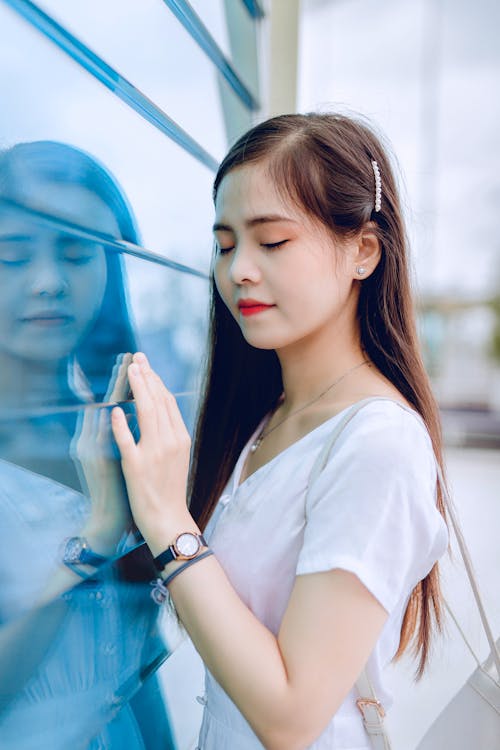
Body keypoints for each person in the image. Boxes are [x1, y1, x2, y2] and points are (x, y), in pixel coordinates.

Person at [111, 113, 450, 750]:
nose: (238, 269)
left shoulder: (377, 443)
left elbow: (292, 719)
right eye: (224, 243)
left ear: (364, 251)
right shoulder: (269, 420)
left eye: (272, 242)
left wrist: (169, 522)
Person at [0, 141, 176, 749]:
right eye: (13, 256)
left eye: (77, 253)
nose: (49, 282)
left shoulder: (118, 431)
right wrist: (95, 538)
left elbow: (136, 673)